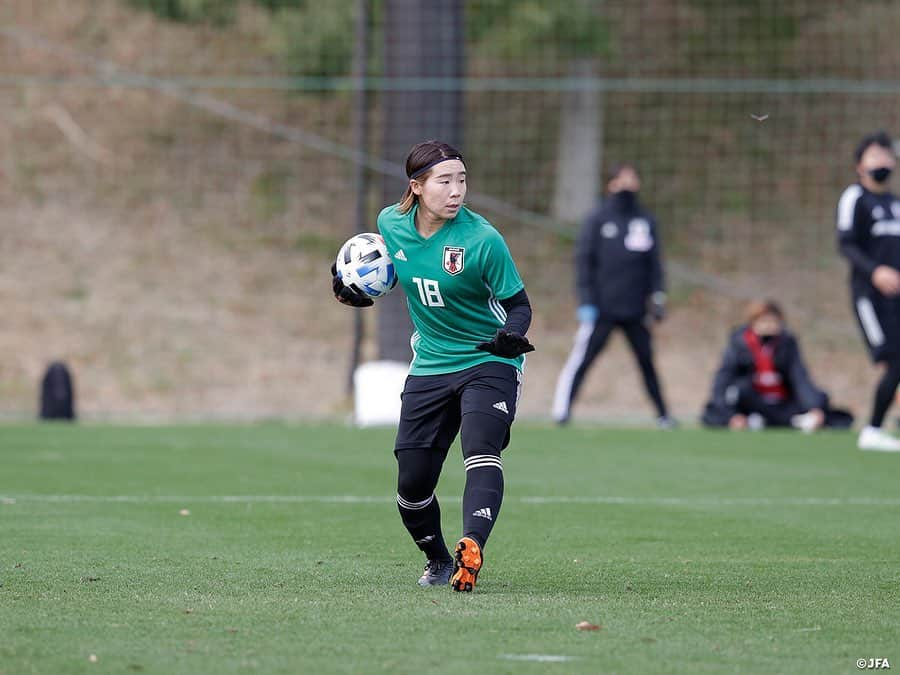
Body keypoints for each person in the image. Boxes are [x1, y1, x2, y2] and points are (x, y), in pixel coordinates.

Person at [331, 140, 534, 592]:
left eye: (461, 179)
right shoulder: (390, 223)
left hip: (488, 359)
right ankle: (438, 559)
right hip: (431, 364)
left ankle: (471, 546)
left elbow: (519, 305)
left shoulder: (483, 239)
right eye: (445, 181)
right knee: (412, 483)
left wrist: (511, 335)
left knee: (481, 448)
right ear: (417, 186)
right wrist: (351, 287)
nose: (456, 190)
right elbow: (384, 267)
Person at [551, 163, 675, 427]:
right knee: (582, 360)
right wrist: (586, 301)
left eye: (633, 178)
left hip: (635, 309)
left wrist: (658, 296)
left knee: (647, 363)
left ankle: (664, 415)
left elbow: (655, 265)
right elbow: (584, 261)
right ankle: (562, 411)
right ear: (611, 184)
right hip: (602, 308)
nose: (629, 183)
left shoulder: (645, 220)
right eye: (623, 178)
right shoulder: (597, 219)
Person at [837, 131, 900, 451]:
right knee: (893, 361)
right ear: (859, 165)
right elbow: (845, 244)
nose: (883, 161)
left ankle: (882, 425)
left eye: (887, 155)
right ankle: (872, 431)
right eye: (875, 155)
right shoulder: (855, 198)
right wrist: (875, 271)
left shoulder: (895, 203)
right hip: (870, 297)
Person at [700, 300, 853, 431]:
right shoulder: (740, 343)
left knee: (822, 403)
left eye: (773, 321)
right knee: (730, 399)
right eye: (764, 321)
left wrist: (814, 407)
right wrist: (730, 416)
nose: (769, 326)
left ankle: (772, 421)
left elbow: (799, 377)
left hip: (780, 400)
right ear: (753, 322)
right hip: (751, 399)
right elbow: (723, 378)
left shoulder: (786, 343)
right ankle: (786, 421)